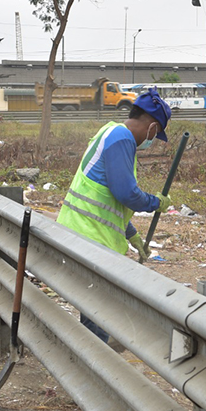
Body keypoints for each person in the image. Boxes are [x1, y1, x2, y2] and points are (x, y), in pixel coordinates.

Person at [57, 88, 173, 343]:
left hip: (80, 231)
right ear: (152, 127)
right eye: (156, 134)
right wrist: (156, 203)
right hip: (91, 238)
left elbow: (104, 197)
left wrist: (131, 234)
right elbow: (126, 193)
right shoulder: (123, 139)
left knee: (94, 305)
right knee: (99, 309)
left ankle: (95, 358)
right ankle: (96, 366)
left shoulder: (109, 131)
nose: (152, 139)